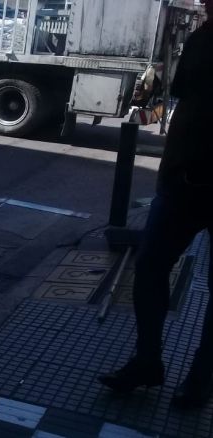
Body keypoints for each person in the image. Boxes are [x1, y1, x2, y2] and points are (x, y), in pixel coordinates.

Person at [99, 0, 213, 409]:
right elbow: (186, 105)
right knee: (149, 266)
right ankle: (148, 362)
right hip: (182, 182)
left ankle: (201, 379)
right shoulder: (202, 38)